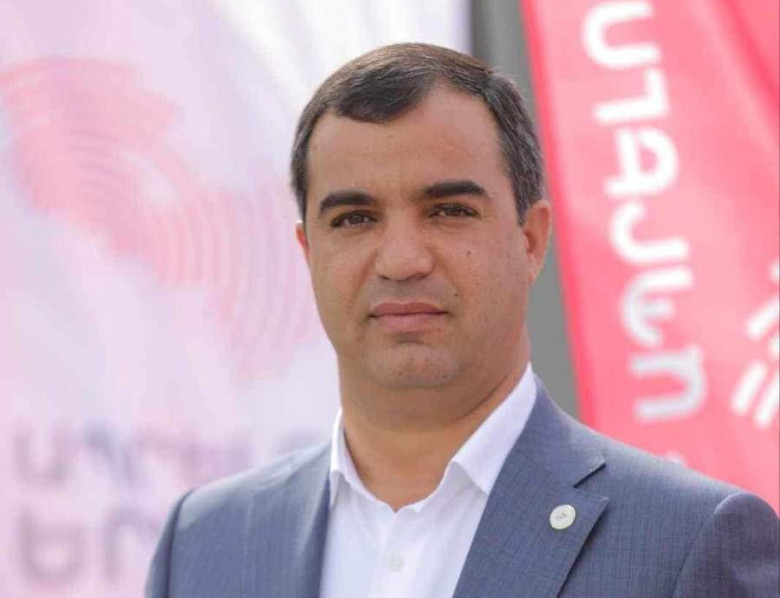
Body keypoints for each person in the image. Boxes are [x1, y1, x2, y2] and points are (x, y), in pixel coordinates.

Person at [146, 43, 778, 598]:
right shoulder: (204, 544)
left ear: (531, 240)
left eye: (448, 210)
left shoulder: (686, 543)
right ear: (308, 251)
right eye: (354, 219)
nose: (401, 260)